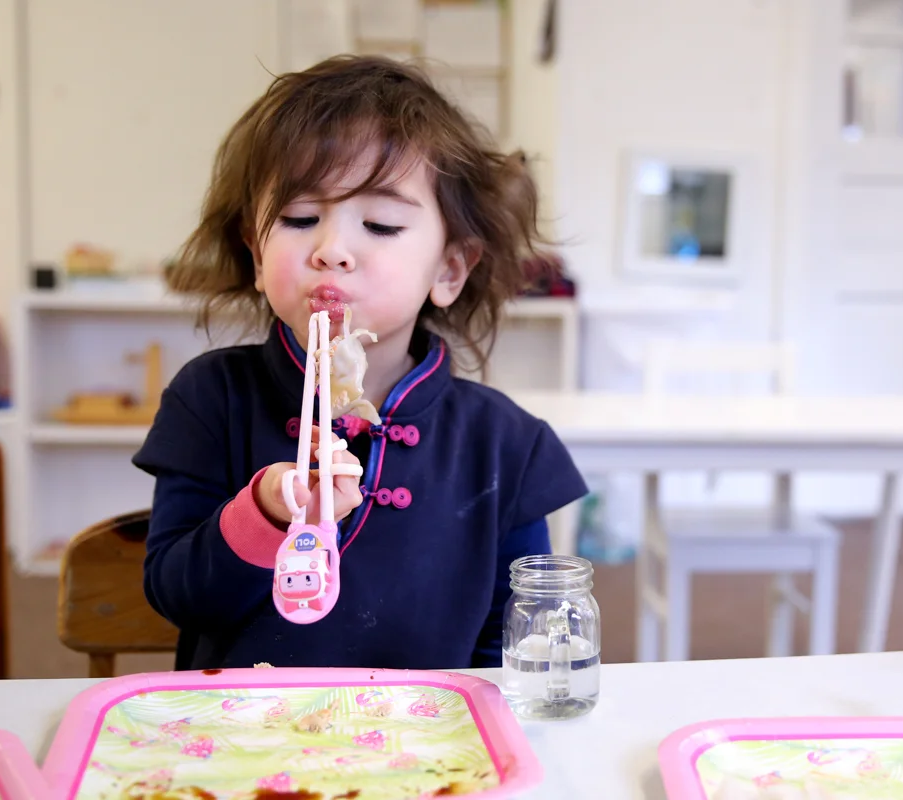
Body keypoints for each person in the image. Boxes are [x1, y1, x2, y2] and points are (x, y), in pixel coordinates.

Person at [132, 55, 588, 671]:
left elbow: (506, 645)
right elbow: (179, 597)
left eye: (379, 223)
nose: (332, 250)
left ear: (450, 269)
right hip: (245, 742)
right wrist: (263, 514)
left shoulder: (504, 445)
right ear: (257, 255)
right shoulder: (212, 398)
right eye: (298, 219)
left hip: (426, 755)